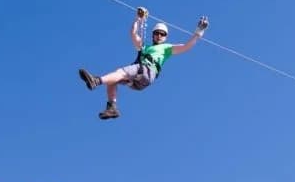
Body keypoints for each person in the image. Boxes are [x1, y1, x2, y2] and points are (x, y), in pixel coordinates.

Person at [79, 8, 209, 119]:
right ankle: (112, 107)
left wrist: (198, 32)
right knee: (114, 79)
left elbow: (186, 46)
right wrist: (138, 19)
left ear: (165, 37)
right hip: (139, 82)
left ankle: (96, 81)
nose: (159, 35)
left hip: (147, 72)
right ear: (153, 35)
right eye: (157, 33)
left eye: (162, 34)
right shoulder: (144, 47)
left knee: (120, 72)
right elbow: (133, 34)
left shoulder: (167, 48)